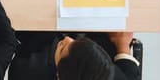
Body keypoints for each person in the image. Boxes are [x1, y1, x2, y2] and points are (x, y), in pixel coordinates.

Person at [8, 31, 139, 80]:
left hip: (41, 39)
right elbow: (129, 76)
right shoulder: (104, 72)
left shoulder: (23, 72)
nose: (68, 39)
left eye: (62, 49)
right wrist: (122, 45)